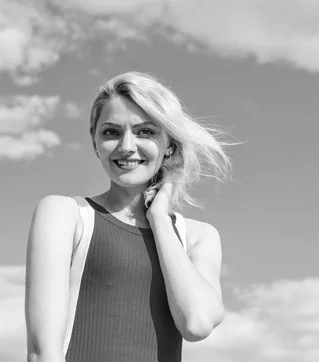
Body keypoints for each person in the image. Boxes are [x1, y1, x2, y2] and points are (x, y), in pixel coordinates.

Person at [25, 71, 232, 362]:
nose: (126, 146)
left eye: (145, 131)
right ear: (95, 142)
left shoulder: (198, 236)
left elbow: (196, 324)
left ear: (169, 145)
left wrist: (159, 218)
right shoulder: (65, 214)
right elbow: (42, 352)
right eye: (111, 132)